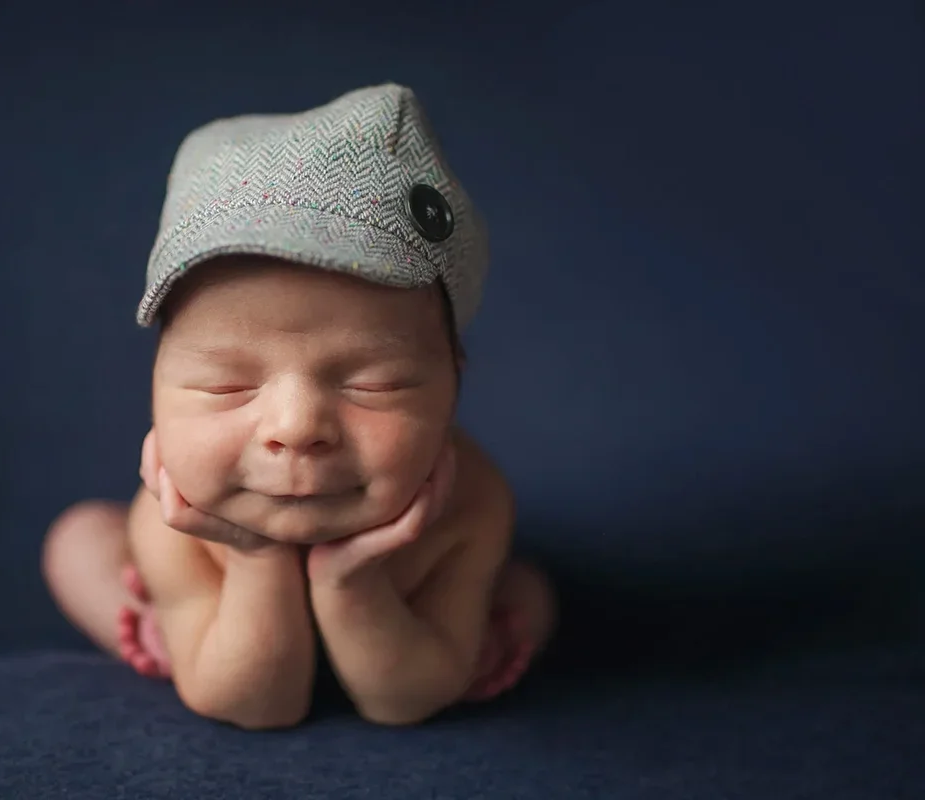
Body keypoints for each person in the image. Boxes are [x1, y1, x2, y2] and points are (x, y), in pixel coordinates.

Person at [42, 84, 555, 729]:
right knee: (80, 540)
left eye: (375, 385)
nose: (296, 428)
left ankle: (471, 623)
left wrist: (353, 580)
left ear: (453, 385)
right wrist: (254, 558)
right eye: (226, 386)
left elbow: (405, 702)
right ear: (156, 383)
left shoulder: (469, 505)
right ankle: (170, 623)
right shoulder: (173, 519)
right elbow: (255, 706)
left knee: (529, 596)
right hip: (219, 609)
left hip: (408, 617)